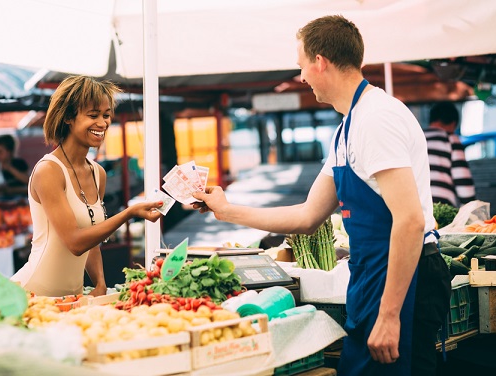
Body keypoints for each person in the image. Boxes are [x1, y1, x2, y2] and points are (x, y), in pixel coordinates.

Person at [193, 15, 451, 376]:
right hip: (371, 277)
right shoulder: (347, 128)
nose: (301, 77)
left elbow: (410, 220)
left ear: (320, 61)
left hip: (404, 281)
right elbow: (307, 216)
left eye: (301, 66)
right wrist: (226, 210)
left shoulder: (376, 119)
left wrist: (389, 316)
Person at [11, 75, 163, 297]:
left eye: (106, 115)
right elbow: (75, 242)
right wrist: (128, 213)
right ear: (68, 118)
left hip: (73, 296)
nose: (102, 123)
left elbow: (92, 239)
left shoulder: (97, 173)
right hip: (33, 294)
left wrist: (100, 283)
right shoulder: (49, 171)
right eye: (93, 115)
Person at [424, 101, 476, 207]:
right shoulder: (450, 139)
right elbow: (463, 182)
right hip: (441, 208)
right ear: (453, 123)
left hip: (415, 208)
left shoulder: (417, 138)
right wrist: (470, 212)